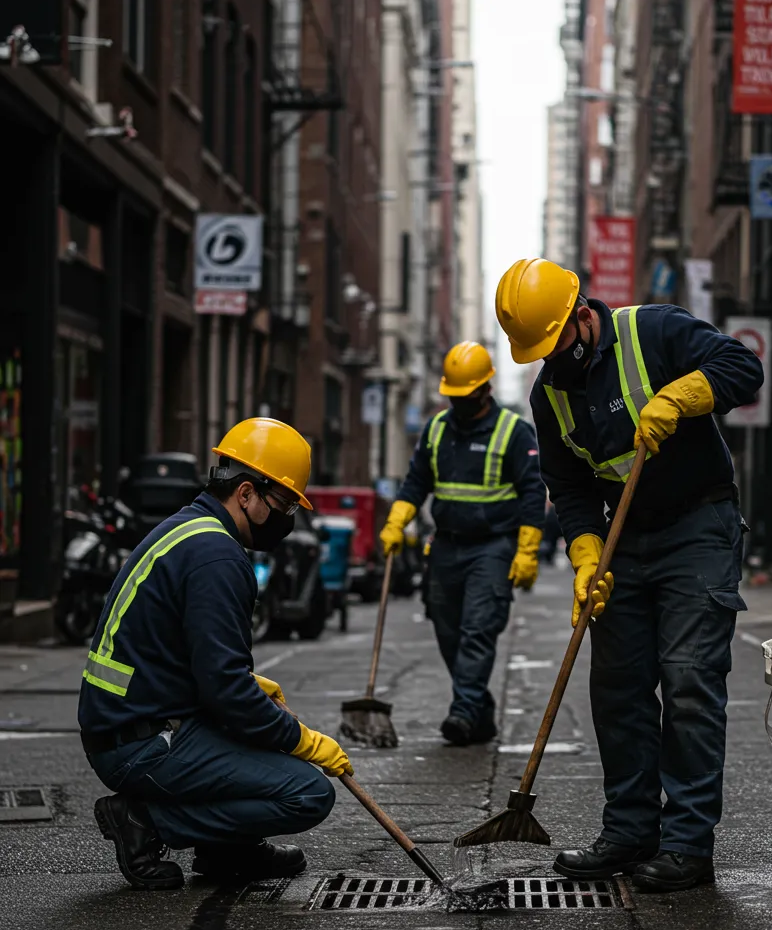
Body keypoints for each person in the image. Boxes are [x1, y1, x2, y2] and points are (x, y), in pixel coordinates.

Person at [495, 258, 764, 893]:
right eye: (538, 353)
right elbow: (568, 486)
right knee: (618, 689)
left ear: (581, 316)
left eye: (554, 343)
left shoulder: (654, 330)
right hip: (623, 537)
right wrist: (587, 556)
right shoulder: (549, 394)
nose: (550, 360)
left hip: (698, 525)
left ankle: (688, 844)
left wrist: (682, 395)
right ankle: (629, 831)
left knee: (689, 681)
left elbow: (743, 367)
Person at [79, 418, 352, 891]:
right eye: (283, 503)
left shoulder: (188, 529)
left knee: (257, 736)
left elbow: (187, 652)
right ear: (246, 493)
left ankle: (227, 850)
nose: (286, 518)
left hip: (130, 726)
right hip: (142, 742)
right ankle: (145, 823)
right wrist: (301, 740)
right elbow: (226, 692)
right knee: (308, 792)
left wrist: (249, 687)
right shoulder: (218, 556)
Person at [379, 341, 546, 746]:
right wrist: (397, 521)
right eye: (453, 396)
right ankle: (479, 711)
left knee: (477, 629)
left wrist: (527, 551)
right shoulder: (437, 429)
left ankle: (464, 712)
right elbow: (417, 482)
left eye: (465, 396)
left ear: (486, 389)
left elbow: (531, 493)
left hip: (493, 548)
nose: (459, 404)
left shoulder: (513, 432)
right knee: (447, 630)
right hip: (446, 548)